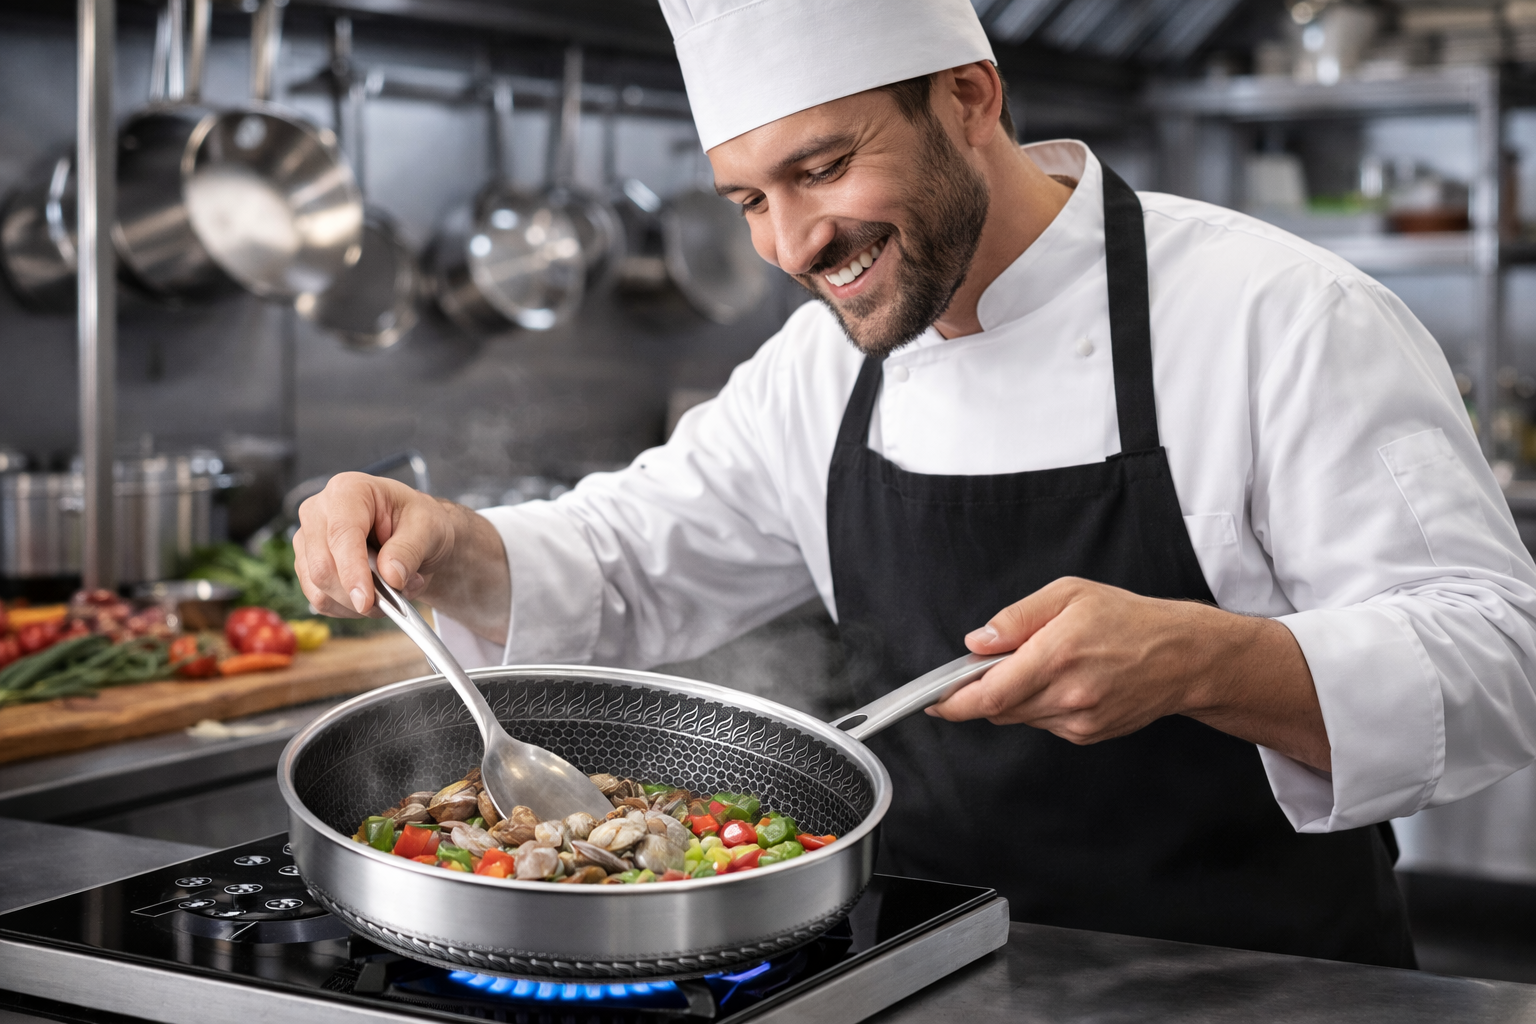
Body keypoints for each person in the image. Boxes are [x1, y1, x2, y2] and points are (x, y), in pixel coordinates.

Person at [294, 0, 1536, 967]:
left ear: (969, 97)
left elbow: (1498, 655)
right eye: (749, 199)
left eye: (825, 167)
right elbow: (626, 562)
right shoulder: (819, 368)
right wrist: (450, 544)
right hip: (923, 975)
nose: (792, 244)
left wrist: (1209, 661)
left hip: (1261, 986)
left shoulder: (1280, 315)